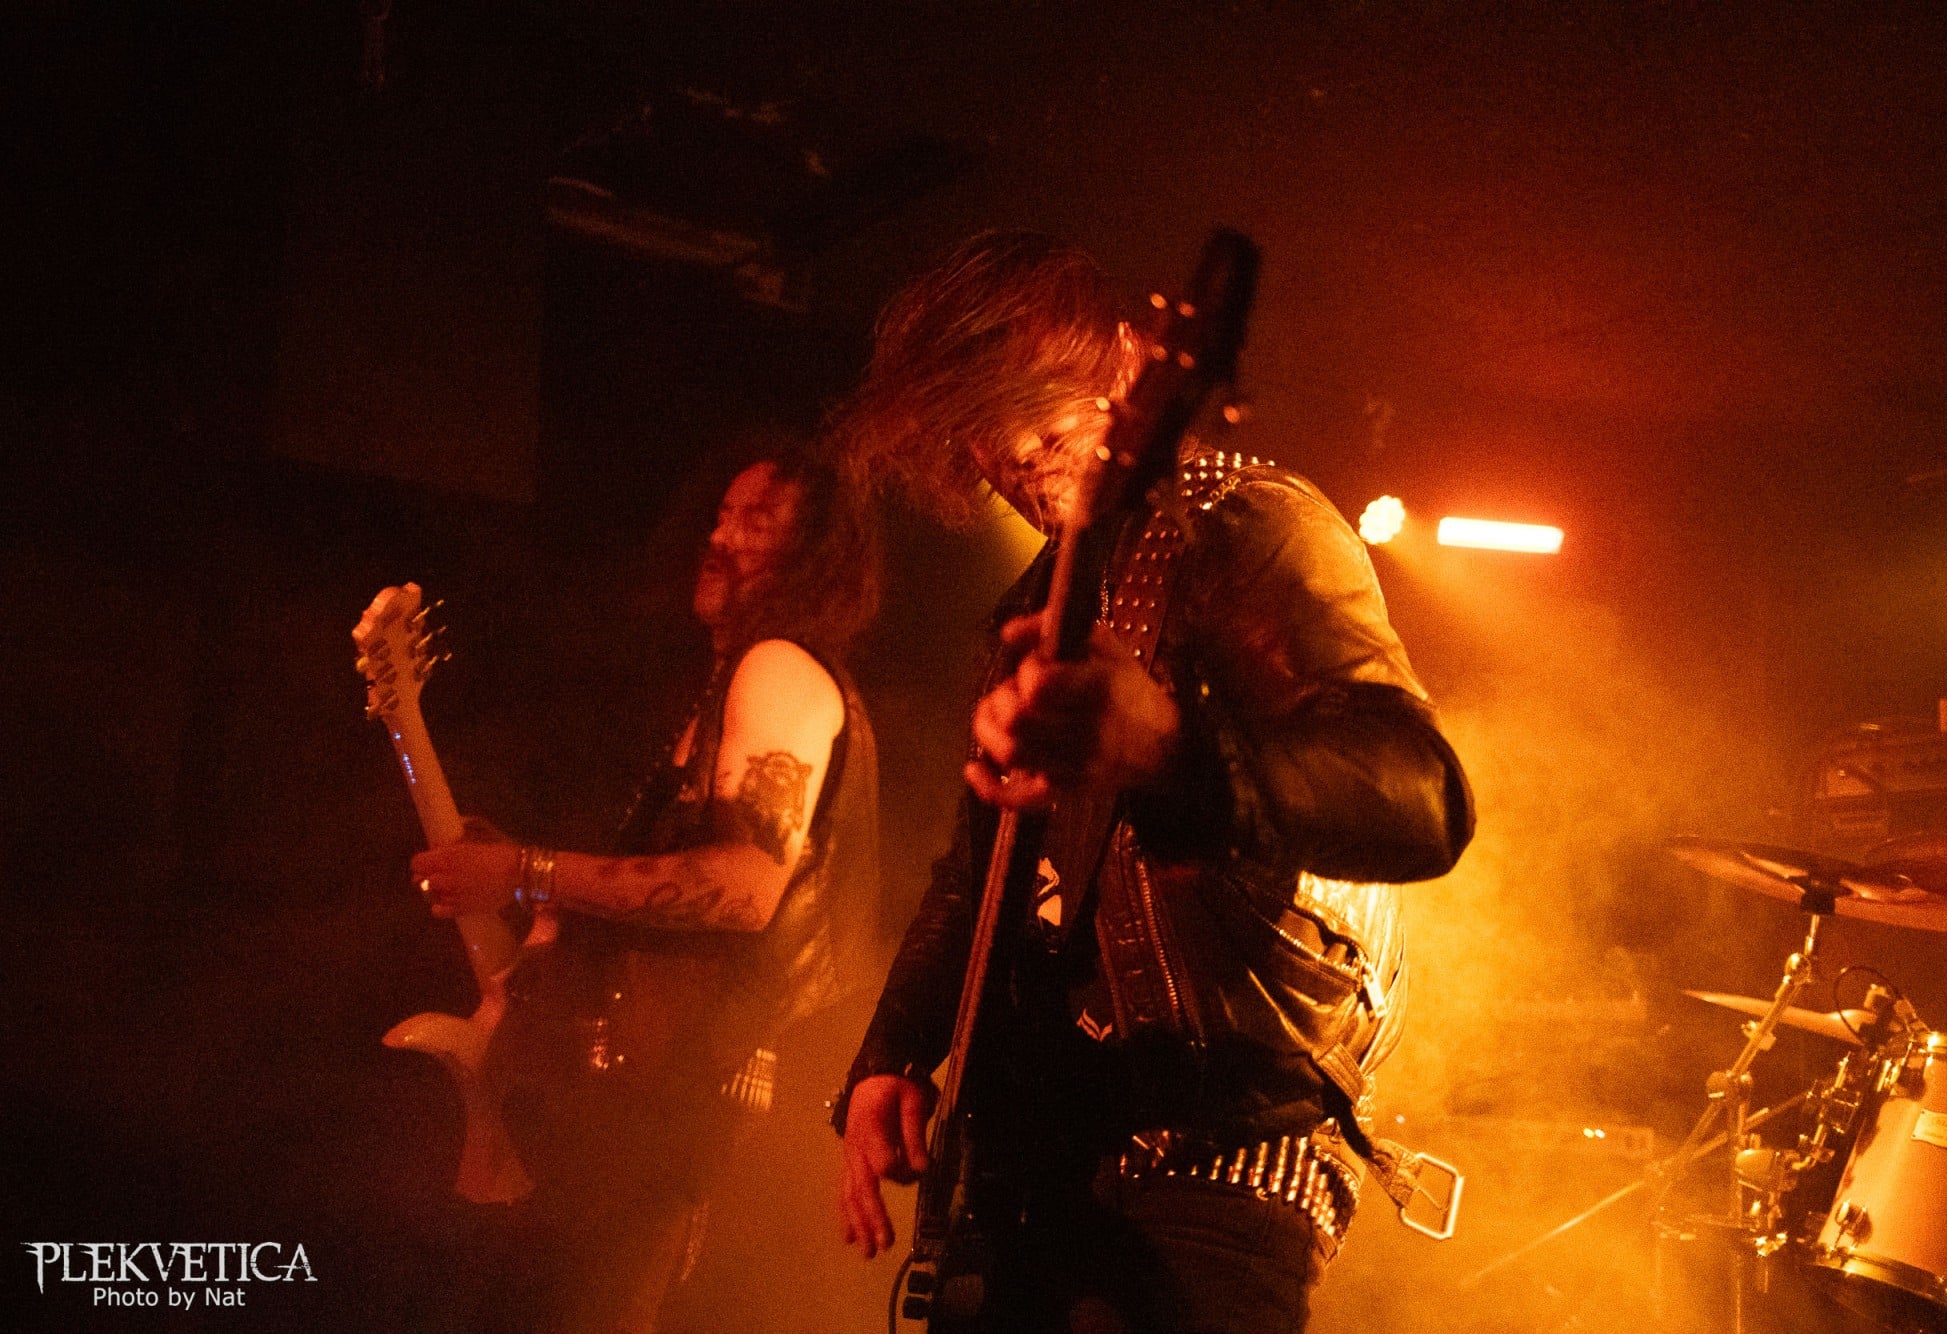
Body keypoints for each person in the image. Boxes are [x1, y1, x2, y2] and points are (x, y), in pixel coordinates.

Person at [830, 232, 1474, 1333]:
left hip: (1225, 1140)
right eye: (987, 433)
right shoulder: (1038, 606)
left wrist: (1175, 753)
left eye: (1042, 417)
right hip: (1045, 1156)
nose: (1019, 455)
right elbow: (978, 868)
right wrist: (891, 1050)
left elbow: (1422, 795)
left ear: (1129, 362)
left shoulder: (1252, 527)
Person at [413, 447, 882, 1333]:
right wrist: (534, 885)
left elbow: (745, 886)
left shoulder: (780, 669)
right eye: (721, 515)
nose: (718, 537)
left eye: (755, 522)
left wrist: (527, 870)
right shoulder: (731, 685)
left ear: (816, 558)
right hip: (642, 1116)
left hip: (683, 1120)